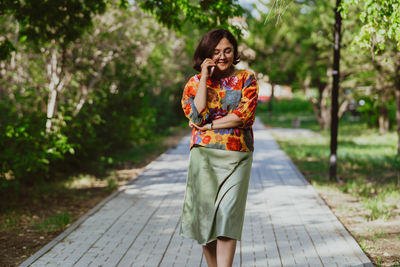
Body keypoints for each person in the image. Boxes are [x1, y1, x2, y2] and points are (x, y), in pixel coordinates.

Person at [179, 28, 259, 267]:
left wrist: (211, 125)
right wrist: (204, 75)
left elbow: (244, 116)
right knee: (205, 220)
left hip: (238, 155)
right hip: (203, 156)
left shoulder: (247, 78)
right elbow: (196, 113)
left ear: (234, 52)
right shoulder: (194, 83)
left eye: (227, 50)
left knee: (227, 217)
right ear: (207, 54)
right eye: (216, 52)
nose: (222, 56)